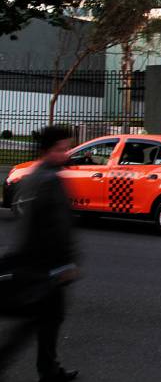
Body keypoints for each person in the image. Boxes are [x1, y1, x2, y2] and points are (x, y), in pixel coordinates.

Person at [0, 125, 80, 382]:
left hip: (37, 263)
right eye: (61, 149)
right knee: (37, 321)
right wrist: (64, 264)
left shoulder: (36, 176)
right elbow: (53, 227)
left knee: (47, 319)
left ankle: (49, 369)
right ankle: (48, 370)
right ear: (47, 151)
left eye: (67, 148)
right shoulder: (47, 181)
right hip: (44, 266)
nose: (66, 154)